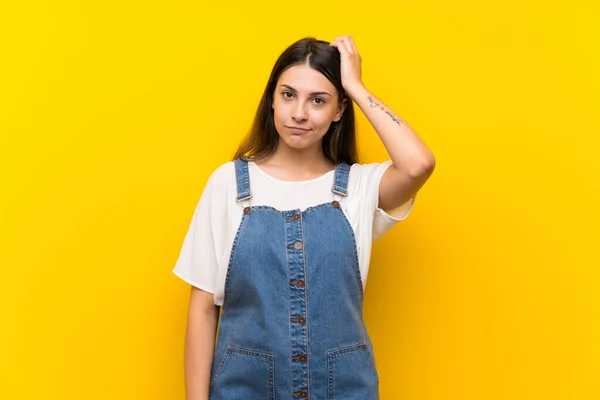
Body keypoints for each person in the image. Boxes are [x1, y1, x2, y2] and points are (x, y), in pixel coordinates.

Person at [172, 35, 435, 400]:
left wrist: (356, 87)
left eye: (318, 100)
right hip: (242, 390)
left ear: (339, 110)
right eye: (288, 95)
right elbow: (202, 309)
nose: (299, 113)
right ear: (272, 101)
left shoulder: (359, 189)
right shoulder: (227, 184)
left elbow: (419, 163)